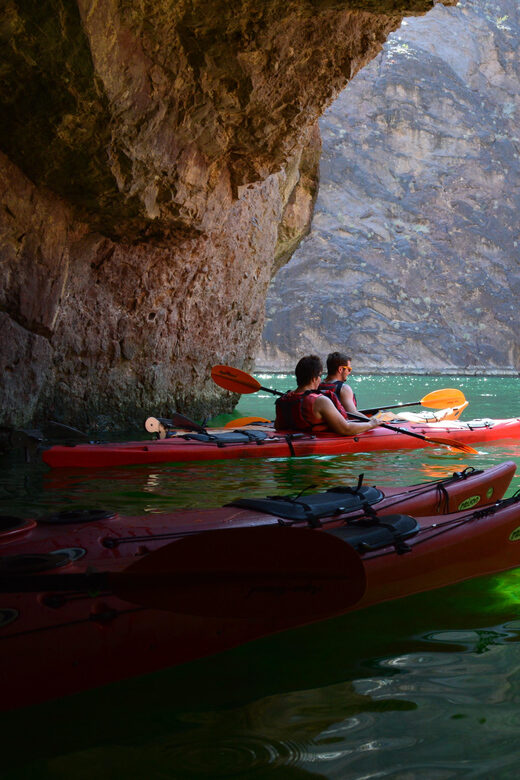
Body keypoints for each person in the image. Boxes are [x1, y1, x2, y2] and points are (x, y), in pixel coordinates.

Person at [274, 355, 389, 435]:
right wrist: (371, 424)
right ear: (314, 378)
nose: (320, 379)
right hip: (315, 446)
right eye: (319, 376)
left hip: (293, 441)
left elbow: (277, 427)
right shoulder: (320, 401)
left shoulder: (283, 400)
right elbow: (346, 429)